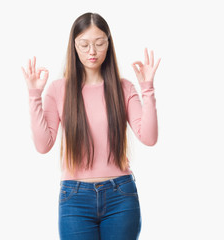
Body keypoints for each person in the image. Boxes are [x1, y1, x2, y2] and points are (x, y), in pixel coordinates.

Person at [21, 12, 160, 240]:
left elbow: (149, 137)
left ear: (108, 43)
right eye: (84, 45)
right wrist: (34, 94)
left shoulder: (123, 88)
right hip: (74, 199)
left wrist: (147, 87)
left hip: (121, 196)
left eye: (99, 43)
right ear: (74, 46)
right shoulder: (58, 89)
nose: (92, 52)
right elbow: (43, 145)